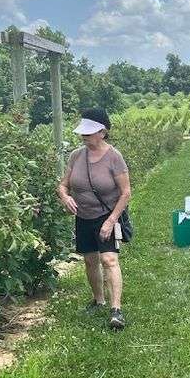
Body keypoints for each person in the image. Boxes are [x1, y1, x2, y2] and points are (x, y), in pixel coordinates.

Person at [57, 108, 131, 331]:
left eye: (89, 133)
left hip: (106, 216)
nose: (84, 137)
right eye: (83, 133)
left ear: (102, 132)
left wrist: (111, 221)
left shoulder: (114, 157)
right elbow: (63, 185)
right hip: (83, 217)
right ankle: (98, 300)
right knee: (90, 261)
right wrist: (65, 197)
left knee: (109, 260)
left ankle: (116, 310)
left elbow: (126, 192)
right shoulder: (76, 156)